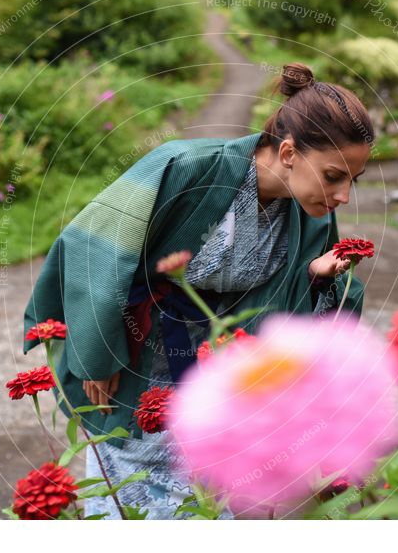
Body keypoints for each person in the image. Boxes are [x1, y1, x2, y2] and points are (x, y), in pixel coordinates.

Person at [22, 62, 374, 519]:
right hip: (136, 356)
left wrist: (316, 277)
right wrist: (98, 351)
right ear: (289, 153)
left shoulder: (313, 213)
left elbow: (294, 319)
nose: (343, 194)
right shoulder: (185, 167)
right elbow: (96, 246)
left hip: (216, 376)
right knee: (129, 500)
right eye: (333, 176)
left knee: (207, 500)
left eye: (353, 180)